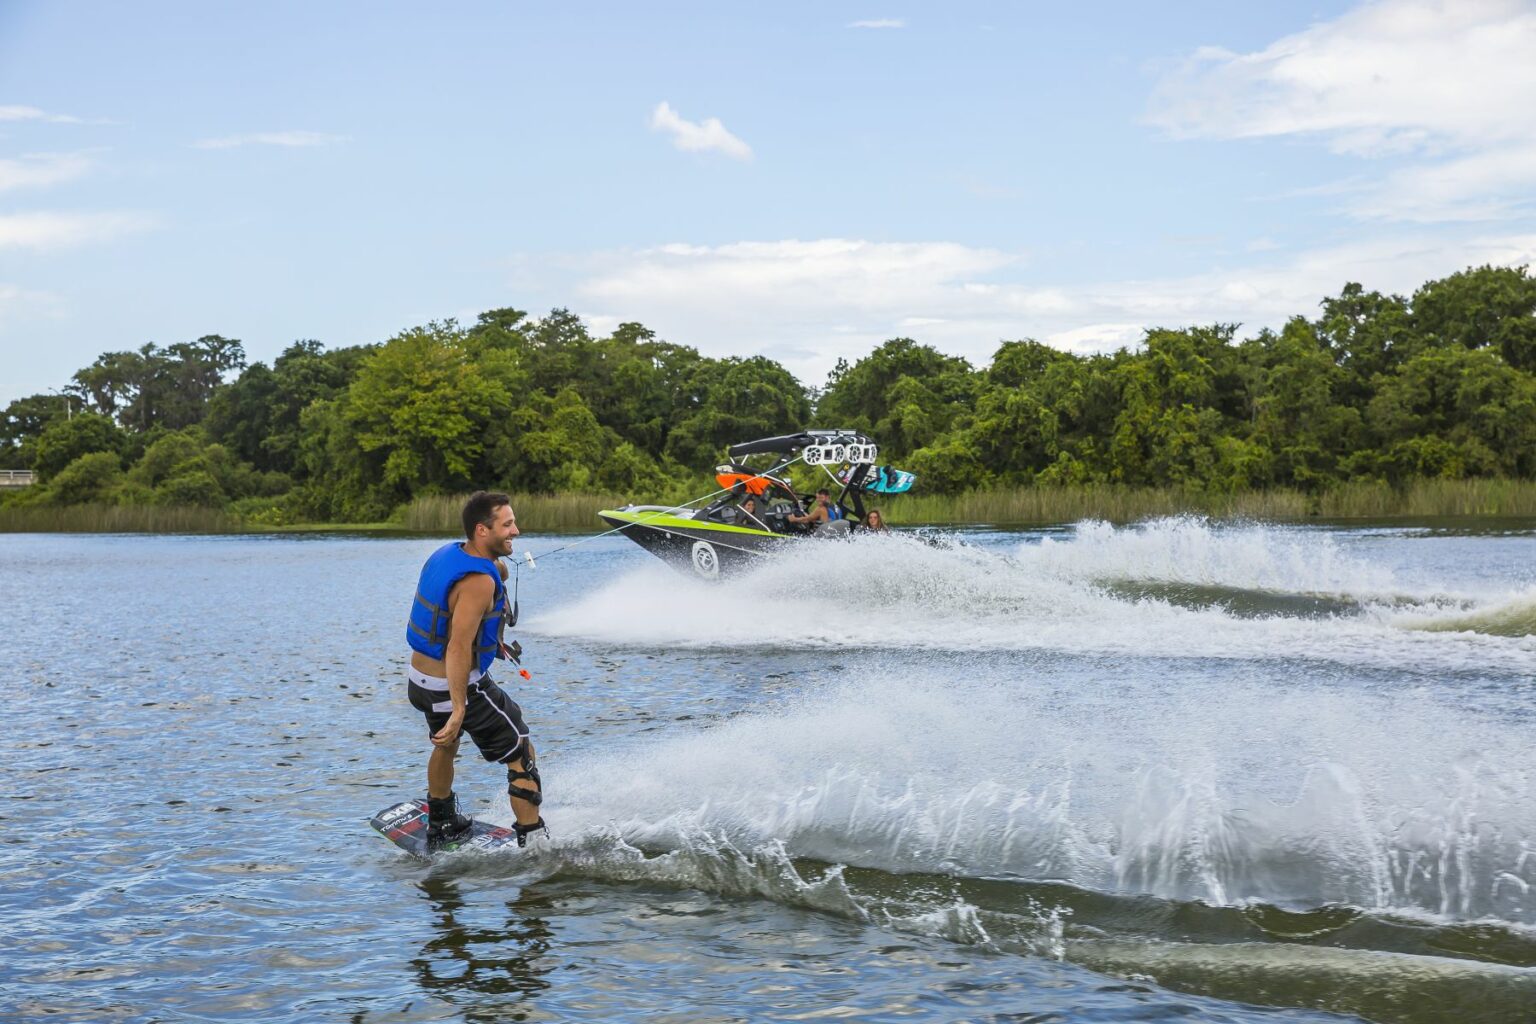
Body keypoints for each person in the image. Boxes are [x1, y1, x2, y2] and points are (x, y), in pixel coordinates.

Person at [404, 491, 547, 849]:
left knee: (446, 745)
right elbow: (457, 646)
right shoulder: (478, 583)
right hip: (456, 684)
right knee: (521, 753)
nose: (516, 530)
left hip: (421, 681)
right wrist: (459, 708)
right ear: (483, 530)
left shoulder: (449, 553)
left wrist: (497, 569)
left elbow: (466, 593)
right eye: (508, 524)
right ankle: (534, 842)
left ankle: (441, 821)